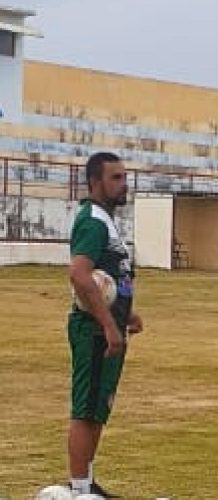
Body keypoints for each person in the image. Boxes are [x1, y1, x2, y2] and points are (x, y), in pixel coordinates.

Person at [67, 152, 143, 497]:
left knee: (100, 405)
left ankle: (88, 482)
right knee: (86, 407)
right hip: (94, 330)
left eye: (125, 177)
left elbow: (110, 278)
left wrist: (126, 315)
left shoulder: (107, 221)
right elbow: (80, 276)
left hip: (110, 326)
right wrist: (109, 325)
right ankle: (79, 488)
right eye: (115, 178)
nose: (123, 184)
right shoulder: (93, 221)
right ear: (95, 183)